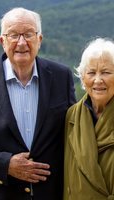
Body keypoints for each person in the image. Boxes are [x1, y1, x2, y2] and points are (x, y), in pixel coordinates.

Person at [0, 7, 76, 200]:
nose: (21, 42)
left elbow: (74, 130)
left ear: (39, 40)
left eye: (28, 34)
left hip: (52, 193)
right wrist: (5, 164)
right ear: (3, 41)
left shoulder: (62, 77)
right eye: (13, 35)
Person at [63, 38, 114, 200]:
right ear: (83, 78)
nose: (98, 80)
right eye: (91, 72)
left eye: (106, 72)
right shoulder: (72, 116)